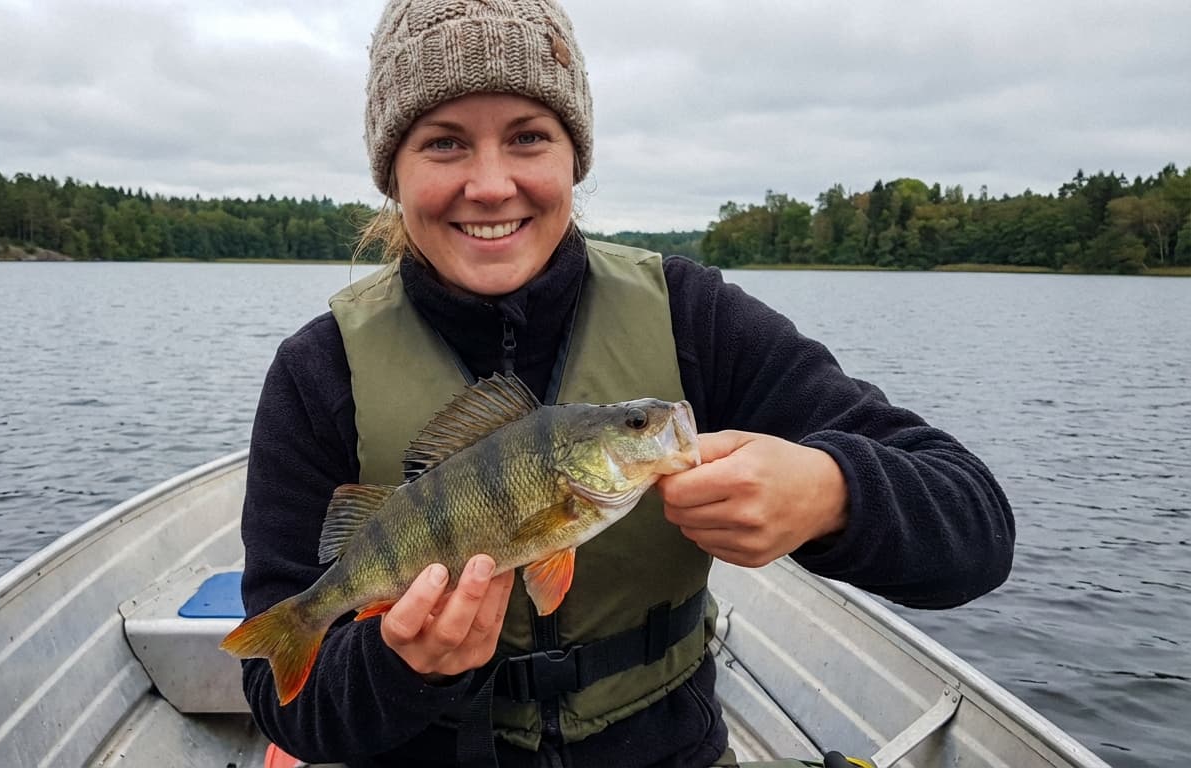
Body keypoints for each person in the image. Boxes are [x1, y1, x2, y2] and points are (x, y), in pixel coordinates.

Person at [237, 0, 1015, 766]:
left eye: (529, 137)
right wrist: (396, 666)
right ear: (392, 173)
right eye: (443, 144)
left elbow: (976, 530)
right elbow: (286, 707)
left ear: (574, 156)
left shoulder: (693, 318)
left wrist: (830, 492)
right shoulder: (319, 371)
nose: (491, 183)